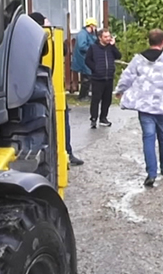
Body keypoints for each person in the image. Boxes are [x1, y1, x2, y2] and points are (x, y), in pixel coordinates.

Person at [114, 29, 163, 188]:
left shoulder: (138, 59)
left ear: (149, 41)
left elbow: (127, 76)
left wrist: (119, 91)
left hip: (145, 107)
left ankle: (151, 173)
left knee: (148, 138)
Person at [29, 12, 83, 165]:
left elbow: (63, 51)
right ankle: (61, 153)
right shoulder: (40, 39)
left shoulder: (46, 38)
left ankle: (66, 151)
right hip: (44, 86)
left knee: (61, 121)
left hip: (49, 86)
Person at [84, 28, 121, 129]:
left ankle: (103, 118)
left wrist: (113, 46)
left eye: (109, 36)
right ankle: (93, 118)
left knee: (107, 99)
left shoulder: (111, 48)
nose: (108, 38)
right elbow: (87, 60)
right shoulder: (93, 47)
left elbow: (118, 56)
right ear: (100, 38)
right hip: (97, 78)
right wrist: (95, 68)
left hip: (109, 77)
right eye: (105, 37)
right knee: (96, 99)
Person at [71, 18, 98, 99]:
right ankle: (82, 96)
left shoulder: (89, 34)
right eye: (95, 26)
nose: (95, 28)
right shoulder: (83, 34)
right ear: (91, 26)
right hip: (83, 59)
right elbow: (82, 46)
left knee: (88, 77)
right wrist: (93, 50)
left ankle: (85, 95)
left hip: (86, 58)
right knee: (87, 77)